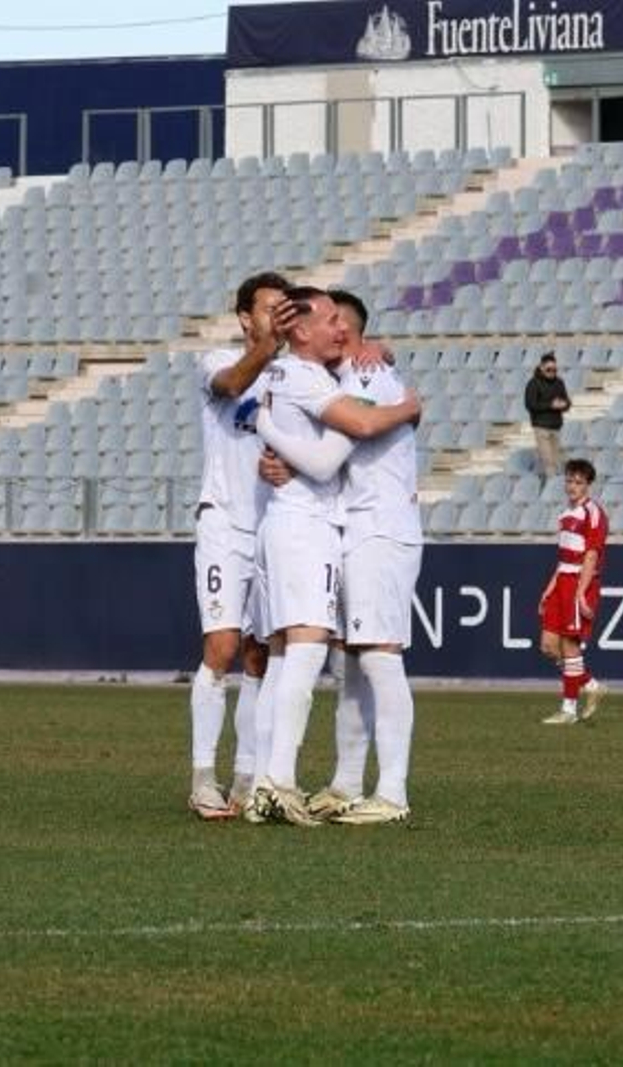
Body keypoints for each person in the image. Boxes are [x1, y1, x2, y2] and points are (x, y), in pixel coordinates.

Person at [248, 286, 421, 826]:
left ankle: (392, 791)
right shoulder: (336, 378)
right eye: (330, 322)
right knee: (349, 659)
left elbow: (352, 435)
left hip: (378, 528)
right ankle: (346, 783)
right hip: (349, 528)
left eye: (342, 323)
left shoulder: (365, 377)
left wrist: (271, 430)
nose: (338, 331)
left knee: (376, 655)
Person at [186, 270, 295, 819]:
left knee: (260, 656)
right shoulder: (216, 362)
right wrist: (269, 349)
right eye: (268, 307)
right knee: (223, 648)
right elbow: (230, 387)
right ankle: (203, 775)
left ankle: (247, 778)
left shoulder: (296, 376)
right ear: (245, 317)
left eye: (285, 307)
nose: (277, 314)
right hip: (225, 523)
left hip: (275, 526)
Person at [538, 458, 608, 725]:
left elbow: (591, 555)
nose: (572, 486)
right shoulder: (565, 515)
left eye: (578, 482)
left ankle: (568, 710)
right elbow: (563, 558)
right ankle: (590, 684)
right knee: (548, 645)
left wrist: (581, 592)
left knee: (569, 645)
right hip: (563, 581)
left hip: (580, 582)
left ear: (588, 485)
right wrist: (549, 587)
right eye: (569, 480)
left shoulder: (593, 513)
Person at [524, 352, 571, 478]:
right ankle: (552, 489)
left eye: (554, 369)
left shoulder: (559, 382)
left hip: (556, 426)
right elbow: (530, 405)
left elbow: (567, 402)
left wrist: (564, 404)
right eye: (549, 369)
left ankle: (557, 488)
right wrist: (551, 405)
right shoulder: (533, 384)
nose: (552, 372)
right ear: (541, 368)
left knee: (557, 461)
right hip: (541, 427)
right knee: (548, 460)